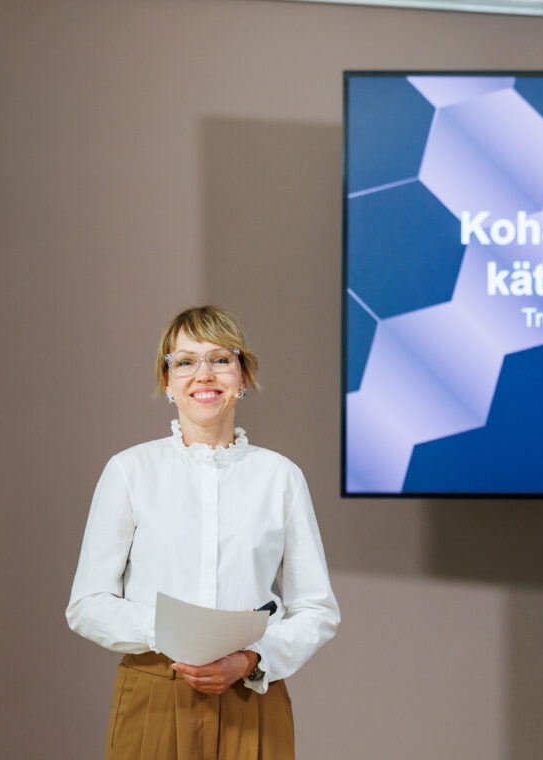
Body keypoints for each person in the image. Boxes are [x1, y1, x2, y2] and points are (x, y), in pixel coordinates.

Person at [67, 305, 340, 759]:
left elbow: (318, 608)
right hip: (154, 697)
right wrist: (167, 632)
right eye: (186, 361)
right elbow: (86, 605)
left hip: (251, 696)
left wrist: (250, 659)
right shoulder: (129, 471)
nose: (204, 374)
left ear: (243, 376)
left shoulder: (281, 477)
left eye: (221, 359)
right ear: (167, 381)